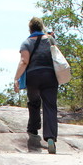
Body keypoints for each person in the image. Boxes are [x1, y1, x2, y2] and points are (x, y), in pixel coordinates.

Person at [14, 17, 59, 154]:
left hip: (33, 77)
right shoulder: (50, 40)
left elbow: (24, 61)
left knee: (34, 102)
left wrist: (16, 79)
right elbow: (56, 55)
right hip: (50, 76)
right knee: (50, 105)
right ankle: (50, 137)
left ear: (30, 29)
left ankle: (33, 129)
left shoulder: (26, 43)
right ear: (42, 27)